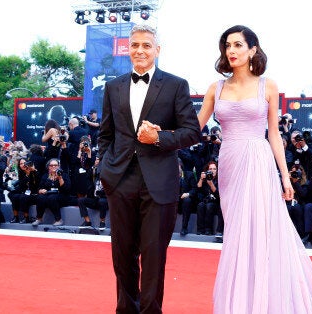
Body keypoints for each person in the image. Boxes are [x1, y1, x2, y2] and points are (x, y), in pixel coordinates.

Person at [197, 25, 312, 313]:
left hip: (258, 162)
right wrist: (162, 135)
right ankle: (241, 303)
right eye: (227, 45)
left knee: (261, 232)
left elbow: (274, 134)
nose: (231, 50)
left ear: (252, 49)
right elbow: (193, 126)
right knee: (236, 233)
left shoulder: (267, 85)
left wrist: (285, 176)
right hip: (230, 163)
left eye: (237, 44)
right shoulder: (216, 87)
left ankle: (264, 304)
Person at [97, 25, 201, 313]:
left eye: (146, 45)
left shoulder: (176, 85)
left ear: (157, 50)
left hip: (159, 181)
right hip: (119, 180)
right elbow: (106, 135)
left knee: (153, 257)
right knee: (122, 256)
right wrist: (105, 170)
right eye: (134, 45)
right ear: (128, 49)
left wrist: (159, 138)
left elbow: (192, 132)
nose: (140, 50)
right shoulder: (113, 86)